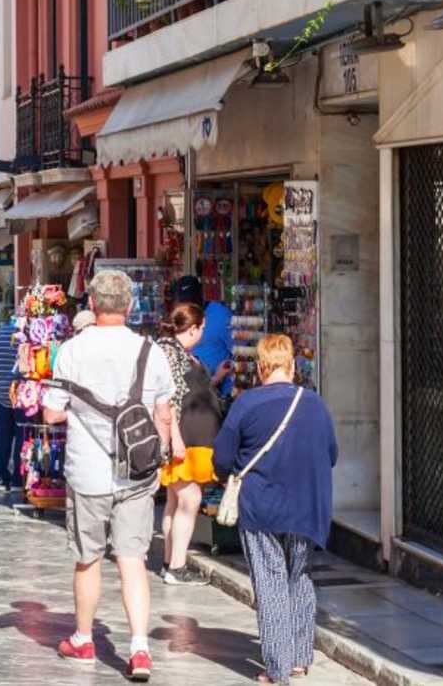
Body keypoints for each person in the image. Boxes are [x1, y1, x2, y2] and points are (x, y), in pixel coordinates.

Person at [39, 269, 177, 681]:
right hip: (136, 473)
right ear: (130, 305)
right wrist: (161, 453)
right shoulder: (150, 351)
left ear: (92, 305)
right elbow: (164, 415)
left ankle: (84, 638)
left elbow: (51, 412)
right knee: (132, 559)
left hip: (88, 471)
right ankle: (139, 649)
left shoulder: (72, 350)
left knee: (88, 559)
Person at [214, 334, 337, 685]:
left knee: (270, 583)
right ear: (292, 366)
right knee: (299, 577)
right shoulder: (314, 404)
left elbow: (222, 458)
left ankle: (278, 668)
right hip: (308, 508)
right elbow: (332, 454)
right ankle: (299, 657)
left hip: (262, 507)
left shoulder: (246, 404)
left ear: (260, 367)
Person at [155, 302, 223, 586]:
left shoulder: (180, 353)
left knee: (175, 500)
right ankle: (178, 566)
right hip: (186, 439)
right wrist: (176, 440)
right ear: (192, 328)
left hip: (194, 438)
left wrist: (217, 377)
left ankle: (171, 560)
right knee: (190, 498)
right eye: (202, 329)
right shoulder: (170, 354)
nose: (203, 334)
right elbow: (168, 400)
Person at [174, 275, 236, 397]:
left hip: (217, 393)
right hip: (189, 392)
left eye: (192, 301)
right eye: (184, 303)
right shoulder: (180, 316)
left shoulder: (220, 315)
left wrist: (226, 387)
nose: (189, 307)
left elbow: (237, 351)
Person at [0, 318, 21, 490]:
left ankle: (1, 476)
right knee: (21, 438)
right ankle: (18, 477)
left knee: (3, 439)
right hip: (22, 396)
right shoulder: (23, 337)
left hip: (1, 395)